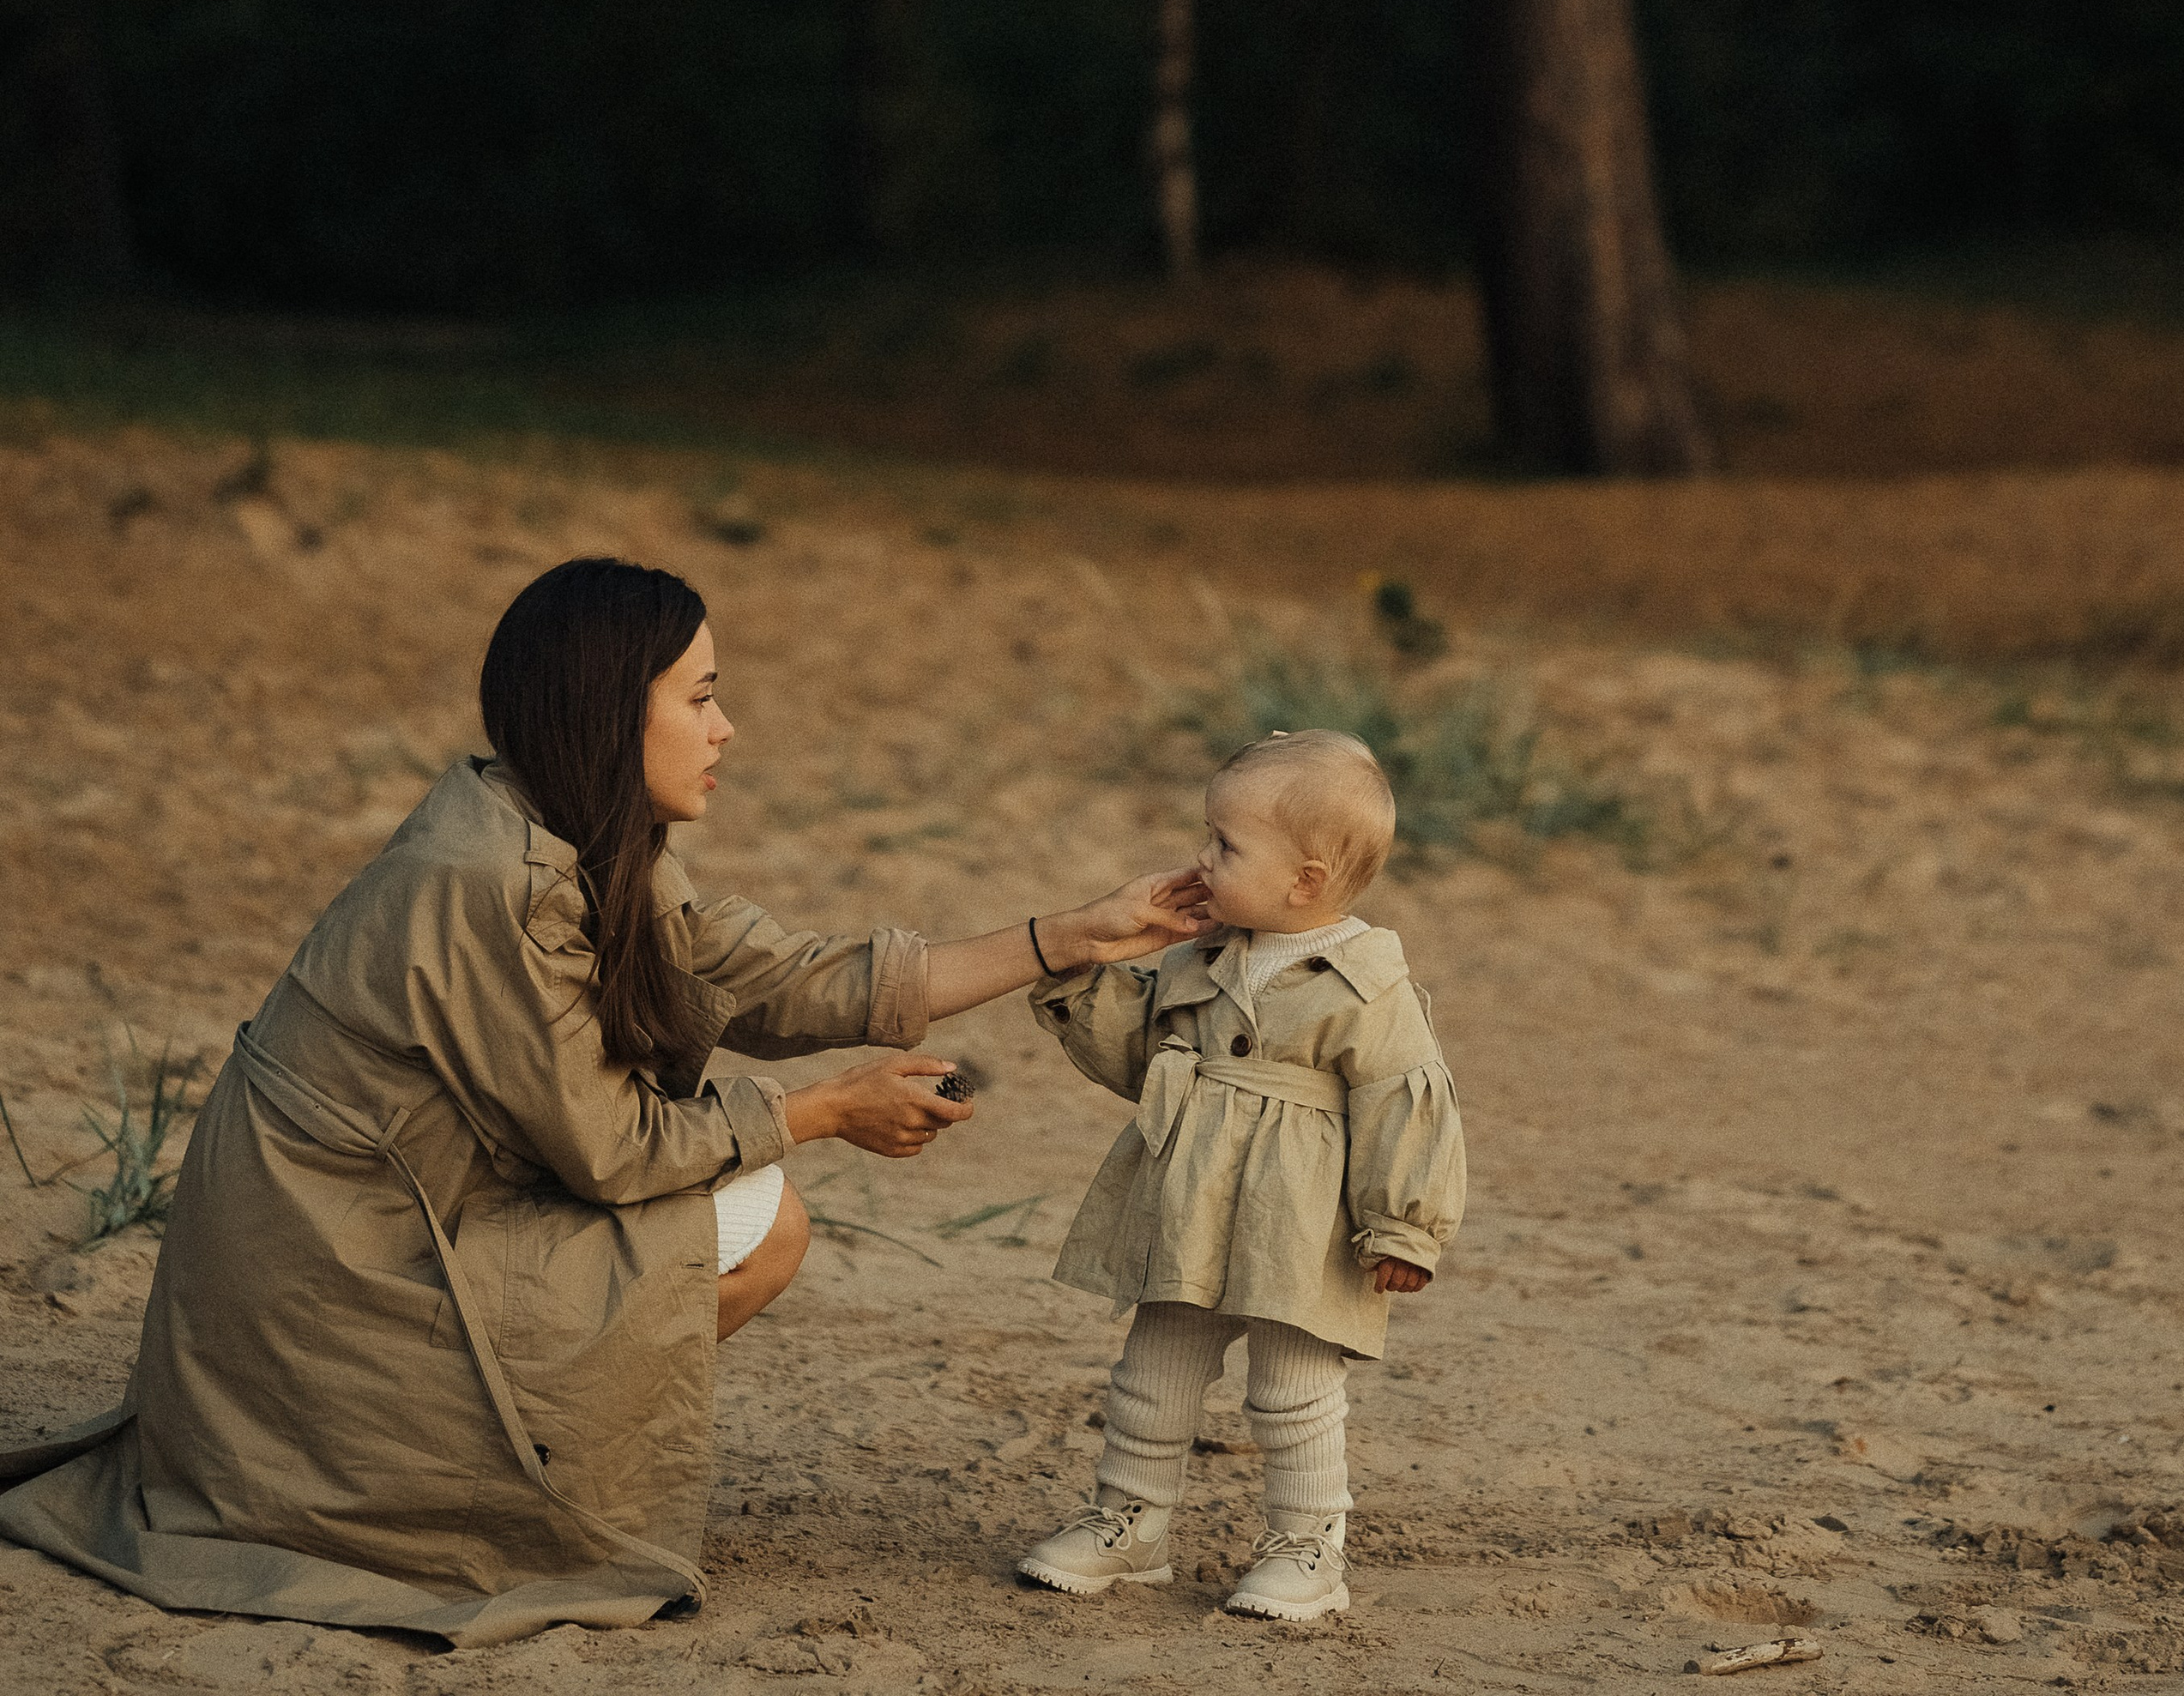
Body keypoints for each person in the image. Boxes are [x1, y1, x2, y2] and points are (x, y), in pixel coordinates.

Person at [0, 559, 1204, 1648]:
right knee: (760, 1220)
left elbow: (790, 978)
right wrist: (825, 1111)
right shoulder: (485, 885)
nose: (727, 727)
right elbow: (613, 1155)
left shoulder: (572, 835)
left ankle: (522, 1453)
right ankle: (482, 1483)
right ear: (604, 706)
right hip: (335, 1293)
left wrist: (1076, 934)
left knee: (749, 1215)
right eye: (700, 697)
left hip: (381, 1251)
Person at [1016, 727, 1467, 1626]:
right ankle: (1129, 1523)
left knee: (1294, 1383)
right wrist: (1084, 972)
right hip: (1190, 1193)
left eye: (1226, 844)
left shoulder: (1364, 982)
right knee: (1155, 1363)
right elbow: (1142, 1057)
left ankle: (1309, 1546)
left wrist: (1404, 1223)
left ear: (1304, 880)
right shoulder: (1200, 955)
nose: (1202, 857)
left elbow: (1405, 1102)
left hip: (1303, 1216)